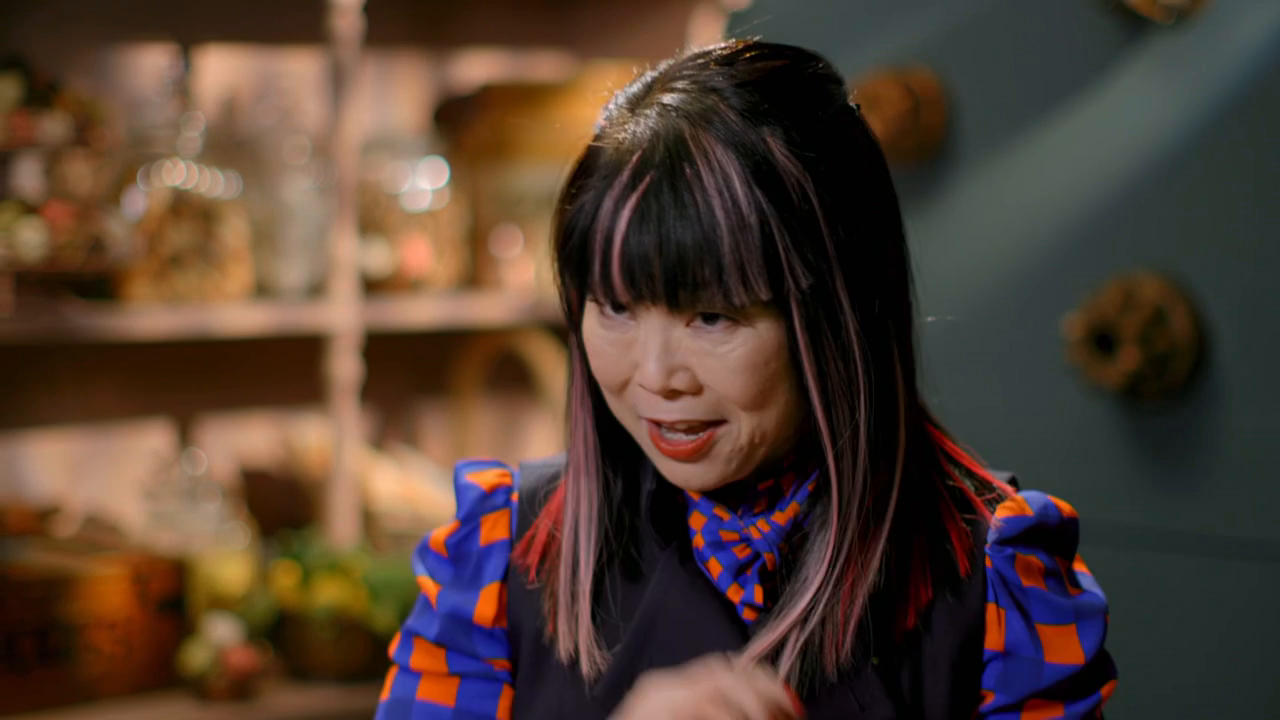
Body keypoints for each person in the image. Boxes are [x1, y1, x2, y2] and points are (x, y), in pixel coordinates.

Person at [376, 39, 1116, 719]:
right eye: (616, 308)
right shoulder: (501, 556)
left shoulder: (996, 581)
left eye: (712, 317)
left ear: (839, 314)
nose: (656, 377)